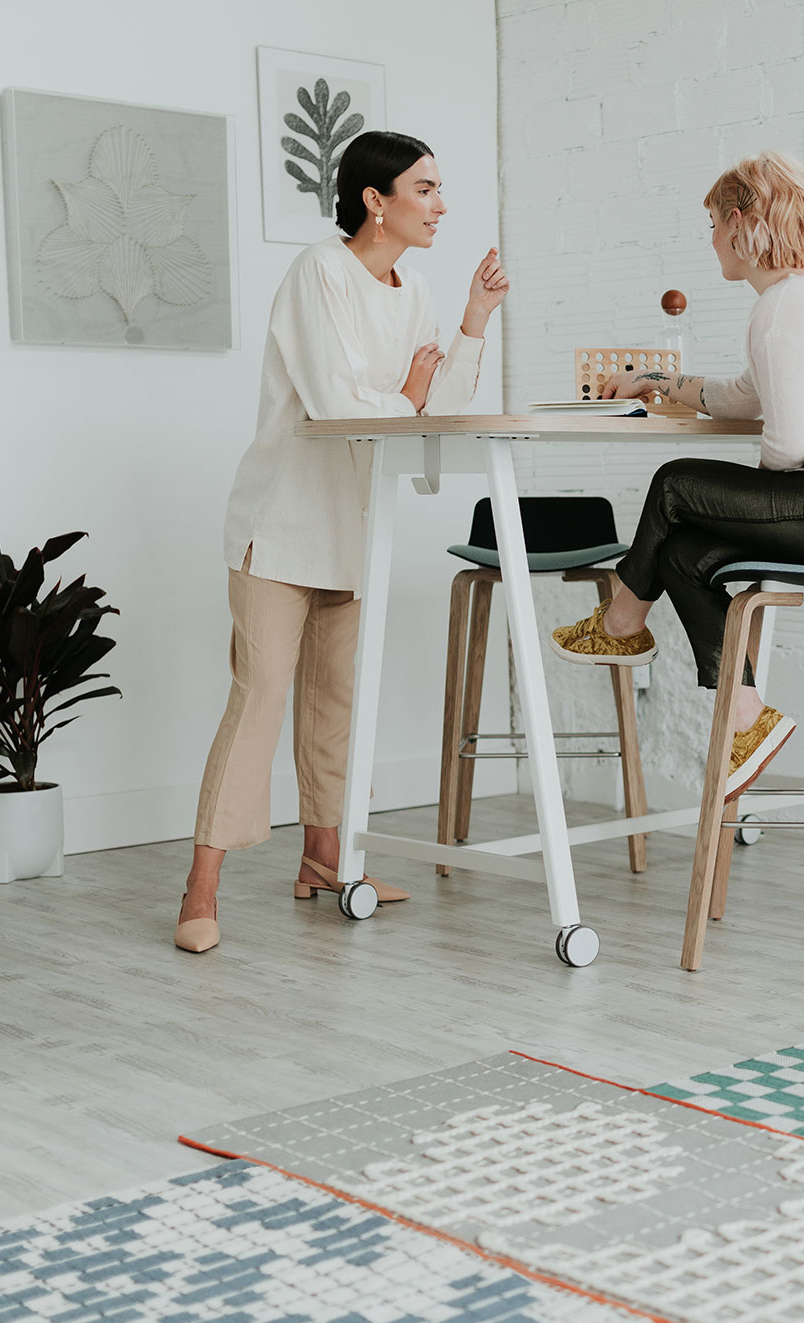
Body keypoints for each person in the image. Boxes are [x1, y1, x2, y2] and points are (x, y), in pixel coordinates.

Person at [175, 131, 508, 953]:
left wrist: (472, 321)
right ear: (375, 199)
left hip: (355, 525)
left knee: (334, 706)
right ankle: (199, 888)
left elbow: (440, 409)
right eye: (424, 189)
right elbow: (332, 401)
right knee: (258, 700)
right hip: (282, 523)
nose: (440, 205)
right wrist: (406, 391)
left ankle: (322, 863)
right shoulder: (317, 271)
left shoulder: (417, 290)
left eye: (439, 189)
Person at [551, 150, 804, 801]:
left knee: (675, 484)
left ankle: (620, 622)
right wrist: (657, 381)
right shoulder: (803, 300)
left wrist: (743, 511)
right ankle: (747, 715)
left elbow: (785, 444)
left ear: (742, 220)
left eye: (715, 224)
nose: (712, 239)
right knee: (684, 551)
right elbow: (740, 396)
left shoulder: (781, 311)